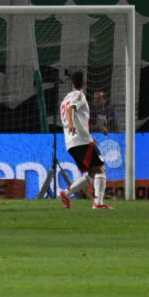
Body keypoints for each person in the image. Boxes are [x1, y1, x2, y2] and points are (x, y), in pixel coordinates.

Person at [56, 71, 113, 210]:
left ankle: (65, 193)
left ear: (71, 84)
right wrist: (71, 124)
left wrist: (84, 132)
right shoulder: (79, 95)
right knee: (100, 169)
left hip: (71, 142)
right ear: (85, 84)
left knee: (94, 173)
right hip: (81, 140)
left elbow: (74, 115)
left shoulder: (65, 99)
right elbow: (71, 111)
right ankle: (98, 204)